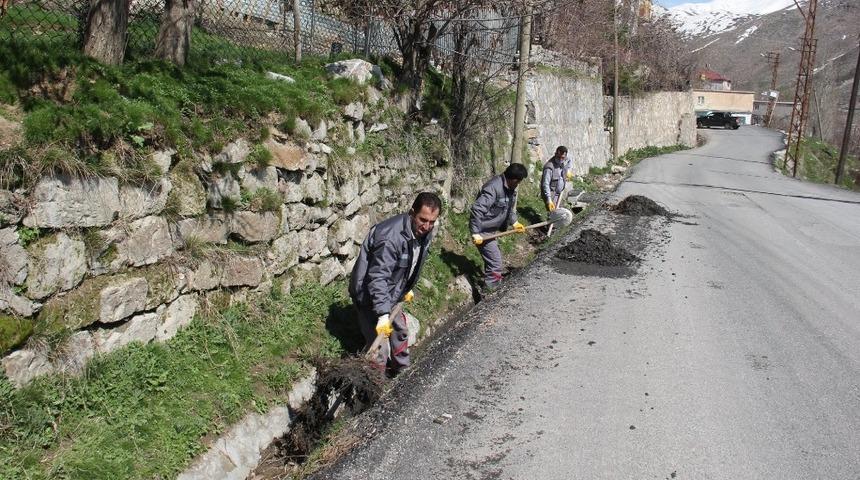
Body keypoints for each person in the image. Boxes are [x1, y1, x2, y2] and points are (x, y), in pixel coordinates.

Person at [349, 192, 442, 372]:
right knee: (379, 350)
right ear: (412, 212)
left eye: (432, 221)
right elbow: (378, 277)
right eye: (423, 220)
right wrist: (383, 315)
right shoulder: (390, 237)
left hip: (393, 291)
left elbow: (413, 260)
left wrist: (407, 286)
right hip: (368, 294)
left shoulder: (423, 232)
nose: (427, 226)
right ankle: (378, 389)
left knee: (400, 331)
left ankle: (403, 372)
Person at [469, 163, 528, 290]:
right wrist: (475, 232)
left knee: (493, 259)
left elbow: (509, 208)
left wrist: (515, 222)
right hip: (482, 231)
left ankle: (491, 285)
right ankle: (491, 290)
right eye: (518, 182)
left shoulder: (510, 188)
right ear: (513, 179)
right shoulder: (493, 188)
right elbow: (477, 209)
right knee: (496, 263)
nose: (518, 185)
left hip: (492, 230)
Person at [541, 145, 575, 212]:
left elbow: (570, 159)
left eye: (562, 158)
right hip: (551, 193)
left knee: (558, 211)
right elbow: (545, 184)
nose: (560, 159)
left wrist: (568, 170)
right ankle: (550, 221)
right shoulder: (549, 167)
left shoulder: (565, 159)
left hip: (560, 192)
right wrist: (549, 199)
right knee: (552, 212)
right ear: (555, 154)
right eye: (558, 157)